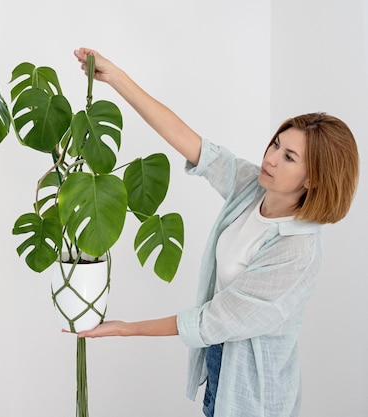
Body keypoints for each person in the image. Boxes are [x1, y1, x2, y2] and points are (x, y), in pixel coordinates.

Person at [72, 47, 360, 417]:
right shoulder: (254, 188)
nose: (270, 158)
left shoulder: (297, 252)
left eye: (289, 157)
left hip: (253, 395)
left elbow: (211, 321)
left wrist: (123, 329)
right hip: (219, 364)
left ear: (314, 178)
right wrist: (116, 78)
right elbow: (195, 145)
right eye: (276, 143)